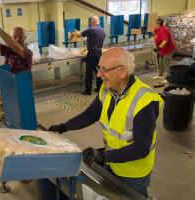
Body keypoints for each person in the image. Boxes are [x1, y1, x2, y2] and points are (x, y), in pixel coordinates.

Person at [49, 47, 163, 198]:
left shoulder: (144, 101)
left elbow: (141, 148)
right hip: (112, 162)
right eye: (98, 68)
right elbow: (91, 114)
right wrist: (64, 127)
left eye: (104, 70)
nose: (98, 74)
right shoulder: (108, 89)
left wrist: (103, 156)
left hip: (133, 172)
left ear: (122, 72)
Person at [71, 16, 105, 95]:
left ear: (92, 22)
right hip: (99, 53)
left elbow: (79, 35)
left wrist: (75, 31)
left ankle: (88, 90)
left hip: (92, 53)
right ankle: (99, 88)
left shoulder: (92, 29)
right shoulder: (102, 30)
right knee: (99, 71)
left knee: (89, 72)